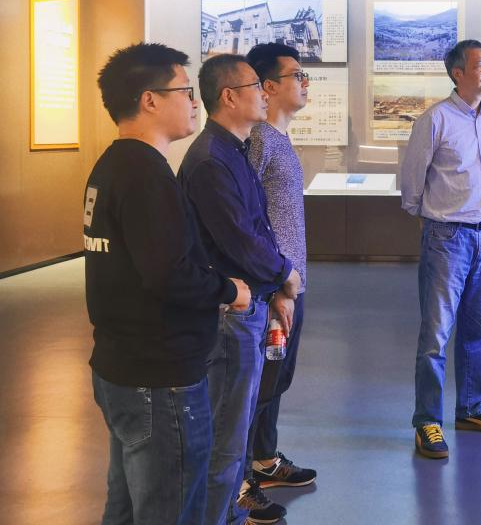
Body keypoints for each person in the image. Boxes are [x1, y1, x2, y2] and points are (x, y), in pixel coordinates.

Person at [85, 43, 251, 525]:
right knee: (170, 510)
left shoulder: (114, 165)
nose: (195, 102)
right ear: (150, 100)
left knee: (128, 508)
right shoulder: (145, 175)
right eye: (185, 91)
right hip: (159, 380)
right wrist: (229, 290)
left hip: (124, 367)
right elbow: (168, 274)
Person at [179, 53, 301, 525]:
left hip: (250, 302)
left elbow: (257, 225)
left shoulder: (234, 149)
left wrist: (275, 285)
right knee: (226, 438)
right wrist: (284, 274)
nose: (263, 93)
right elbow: (240, 239)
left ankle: (229, 511)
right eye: (255, 85)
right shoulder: (212, 159)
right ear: (229, 96)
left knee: (236, 427)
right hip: (230, 312)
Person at [399, 39, 481, 460]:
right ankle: (427, 421)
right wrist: (432, 219)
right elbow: (412, 182)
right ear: (458, 74)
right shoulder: (435, 119)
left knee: (477, 330)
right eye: (480, 66)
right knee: (436, 334)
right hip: (447, 238)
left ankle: (472, 407)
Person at [245, 43, 318, 490]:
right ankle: (242, 477)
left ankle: (265, 459)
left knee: (278, 376)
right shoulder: (258, 140)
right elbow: (248, 217)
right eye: (297, 75)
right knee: (263, 381)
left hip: (289, 283)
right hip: (274, 287)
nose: (306, 82)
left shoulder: (278, 138)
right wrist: (274, 286)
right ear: (269, 87)